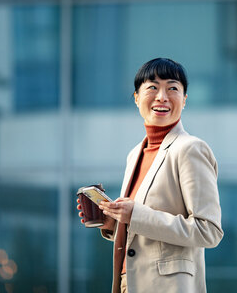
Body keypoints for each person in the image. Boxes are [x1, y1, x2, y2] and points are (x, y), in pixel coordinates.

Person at [76, 58, 223, 293]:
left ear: (184, 100)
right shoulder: (135, 154)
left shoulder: (190, 148)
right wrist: (113, 223)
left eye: (172, 88)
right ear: (136, 98)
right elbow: (145, 236)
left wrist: (136, 215)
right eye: (152, 87)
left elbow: (209, 230)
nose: (162, 96)